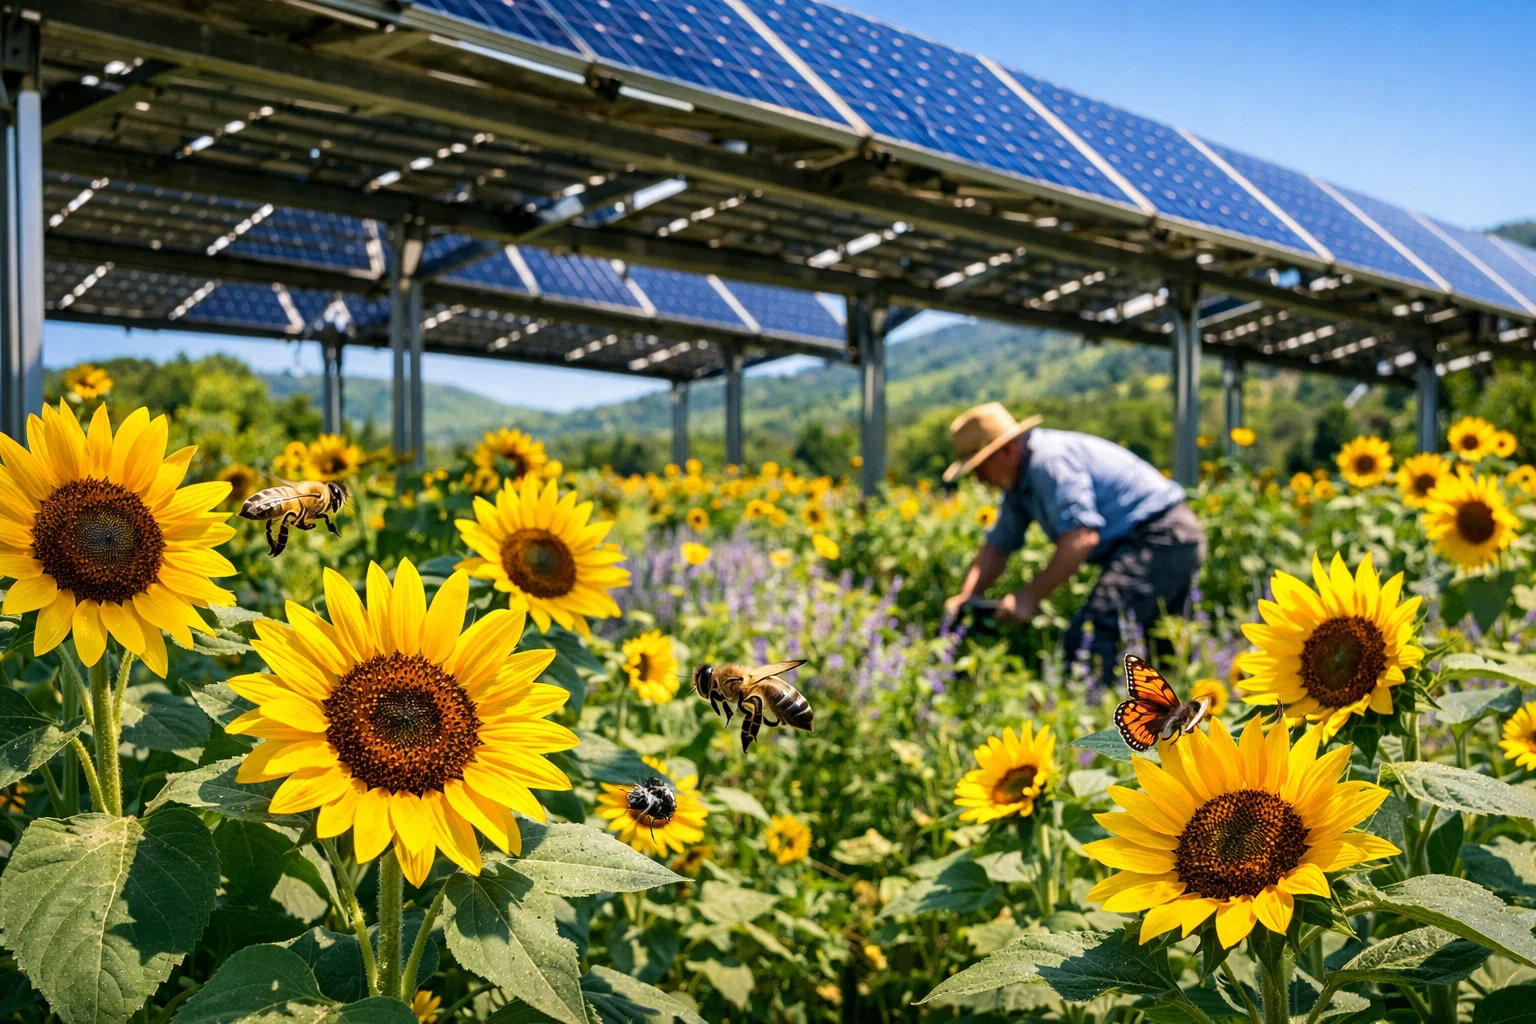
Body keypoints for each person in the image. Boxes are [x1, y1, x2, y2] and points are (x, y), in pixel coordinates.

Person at [941, 403, 1205, 684]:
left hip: (1162, 537)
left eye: (980, 468)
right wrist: (968, 596)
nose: (979, 479)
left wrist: (1027, 598)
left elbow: (1081, 538)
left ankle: (1100, 722)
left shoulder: (1048, 462)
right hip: (1162, 538)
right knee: (1160, 652)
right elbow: (999, 544)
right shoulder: (1018, 481)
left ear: (1007, 450)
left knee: (1092, 640)